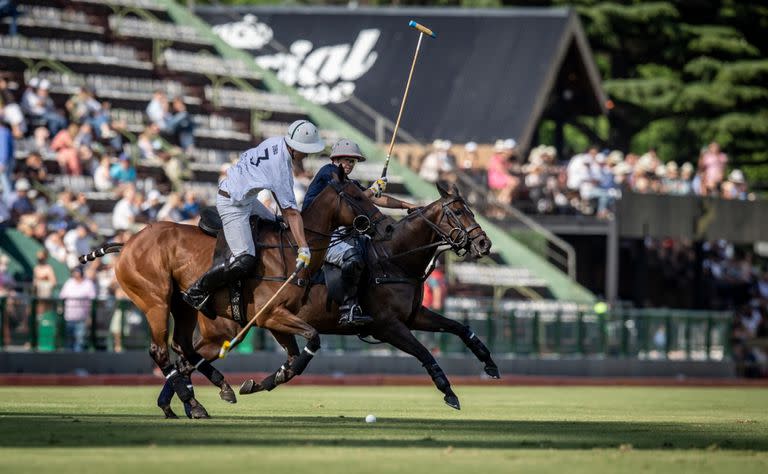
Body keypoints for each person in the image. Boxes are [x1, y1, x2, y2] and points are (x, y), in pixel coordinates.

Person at [182, 120, 325, 311]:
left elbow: (283, 206)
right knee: (245, 259)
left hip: (247, 199)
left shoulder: (277, 142)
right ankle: (197, 290)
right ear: (294, 147)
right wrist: (303, 247)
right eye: (305, 150)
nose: (307, 154)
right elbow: (291, 212)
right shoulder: (280, 166)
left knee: (276, 224)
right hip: (233, 203)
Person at [302, 138, 417, 326]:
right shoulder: (329, 172)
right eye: (346, 160)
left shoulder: (349, 182)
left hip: (337, 233)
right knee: (352, 257)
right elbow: (356, 199)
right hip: (317, 236)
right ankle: (348, 308)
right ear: (336, 159)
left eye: (352, 161)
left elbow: (375, 200)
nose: (349, 164)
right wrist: (372, 189)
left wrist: (408, 206)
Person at [59, 267, 96, 352]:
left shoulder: (88, 283)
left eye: (77, 272)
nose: (76, 274)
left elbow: (92, 300)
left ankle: (78, 360)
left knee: (80, 340)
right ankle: (68, 360)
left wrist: (89, 317)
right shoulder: (69, 282)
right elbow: (62, 296)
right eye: (74, 272)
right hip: (69, 317)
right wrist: (60, 309)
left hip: (82, 317)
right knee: (68, 339)